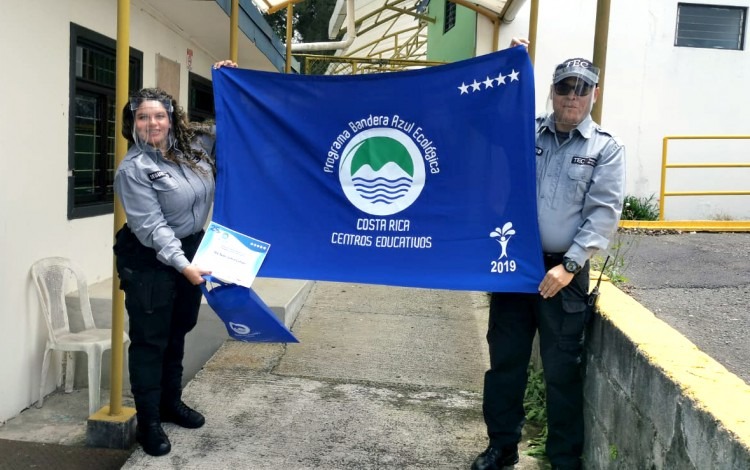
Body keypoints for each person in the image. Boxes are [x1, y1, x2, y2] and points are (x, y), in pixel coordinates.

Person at [472, 42, 626, 470]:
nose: (571, 96)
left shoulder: (605, 149)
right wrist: (507, 65)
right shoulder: (526, 130)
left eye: (581, 89)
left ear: (593, 94)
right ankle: (501, 448)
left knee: (561, 373)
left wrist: (570, 265)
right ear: (552, 92)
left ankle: (563, 459)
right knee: (505, 364)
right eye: (564, 88)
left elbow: (603, 215)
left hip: (564, 272)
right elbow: (485, 123)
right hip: (515, 264)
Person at [114, 61, 237, 457]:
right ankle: (148, 421)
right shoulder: (134, 169)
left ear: (172, 119)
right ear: (132, 123)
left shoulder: (192, 151)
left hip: (191, 249)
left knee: (179, 328)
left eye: (160, 115)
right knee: (150, 340)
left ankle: (171, 402)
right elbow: (152, 228)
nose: (154, 123)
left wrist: (227, 82)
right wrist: (184, 266)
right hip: (150, 257)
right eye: (144, 116)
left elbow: (238, 126)